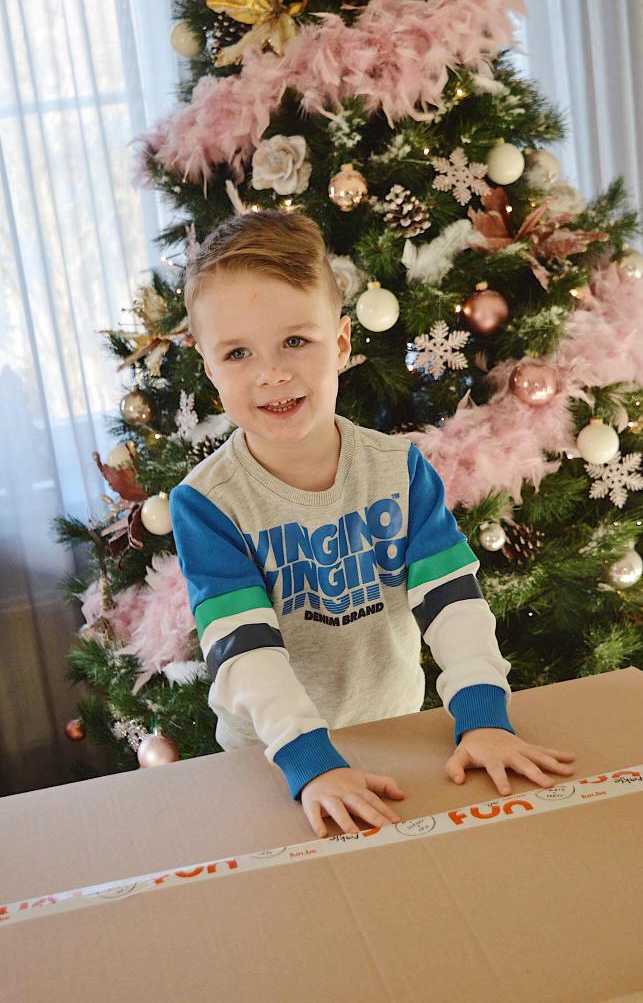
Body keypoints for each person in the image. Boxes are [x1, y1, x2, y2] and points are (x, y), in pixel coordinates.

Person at [169, 210, 576, 839]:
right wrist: (311, 762)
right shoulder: (207, 504)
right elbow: (245, 650)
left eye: (295, 341)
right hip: (276, 758)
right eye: (238, 352)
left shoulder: (399, 471)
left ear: (340, 343)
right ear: (209, 367)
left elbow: (452, 601)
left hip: (395, 731)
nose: (271, 373)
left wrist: (484, 719)